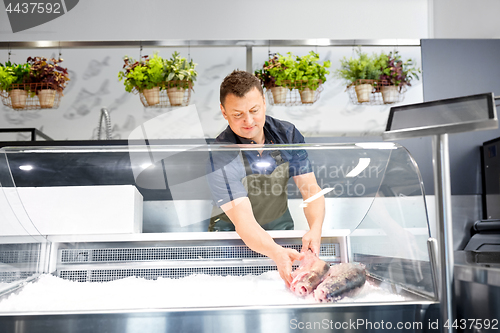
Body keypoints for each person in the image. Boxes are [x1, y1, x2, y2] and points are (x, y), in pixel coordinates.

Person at [206, 70, 325, 286]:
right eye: (237, 114)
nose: (248, 121)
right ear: (223, 112)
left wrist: (315, 228)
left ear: (264, 102)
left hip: (280, 232)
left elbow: (310, 189)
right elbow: (243, 222)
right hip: (231, 242)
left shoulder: (287, 135)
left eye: (254, 110)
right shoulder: (221, 153)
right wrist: (275, 252)